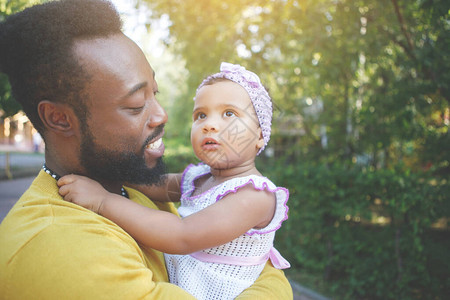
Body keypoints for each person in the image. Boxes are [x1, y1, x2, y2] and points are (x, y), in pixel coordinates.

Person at [0, 0, 293, 299]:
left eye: (155, 93)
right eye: (136, 104)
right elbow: (267, 273)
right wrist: (273, 284)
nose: (162, 115)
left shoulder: (124, 180)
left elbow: (216, 244)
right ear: (59, 118)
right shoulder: (60, 248)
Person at [58, 62, 291, 299]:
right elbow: (155, 183)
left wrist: (102, 200)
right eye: (201, 115)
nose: (209, 124)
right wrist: (110, 171)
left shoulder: (253, 196)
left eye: (229, 113)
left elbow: (182, 235)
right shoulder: (201, 178)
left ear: (260, 135)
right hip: (179, 278)